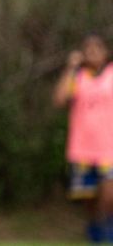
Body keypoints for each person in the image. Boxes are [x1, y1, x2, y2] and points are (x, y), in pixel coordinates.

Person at [53, 33, 113, 243]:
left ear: (106, 53)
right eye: (87, 49)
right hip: (82, 149)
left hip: (109, 149)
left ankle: (107, 231)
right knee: (89, 197)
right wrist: (70, 67)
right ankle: (96, 234)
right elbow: (59, 99)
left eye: (97, 48)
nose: (92, 52)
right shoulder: (77, 77)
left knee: (108, 196)